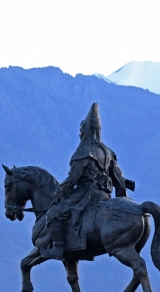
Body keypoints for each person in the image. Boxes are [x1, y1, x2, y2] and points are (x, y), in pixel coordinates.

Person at [42, 103, 131, 258]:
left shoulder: (84, 152)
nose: (80, 133)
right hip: (104, 195)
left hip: (85, 193)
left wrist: (60, 193)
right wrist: (122, 199)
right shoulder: (108, 152)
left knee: (54, 214)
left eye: (81, 130)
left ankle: (58, 247)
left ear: (85, 131)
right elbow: (119, 179)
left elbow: (73, 179)